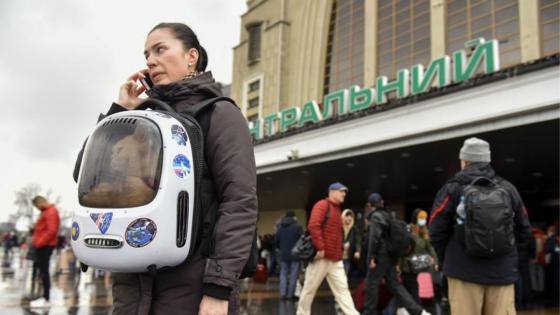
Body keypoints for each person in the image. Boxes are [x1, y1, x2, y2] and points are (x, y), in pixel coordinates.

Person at [73, 22, 257, 315]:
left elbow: (240, 200)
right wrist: (121, 110)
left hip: (193, 288)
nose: (150, 60)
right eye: (146, 54)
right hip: (133, 287)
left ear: (191, 56)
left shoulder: (219, 113)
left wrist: (218, 288)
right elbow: (85, 174)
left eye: (160, 49)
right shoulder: (140, 119)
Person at [429, 137, 532, 315]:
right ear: (487, 160)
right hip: (502, 275)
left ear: (465, 161)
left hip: (463, 273)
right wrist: (510, 261)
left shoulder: (452, 189)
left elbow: (436, 230)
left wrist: (448, 260)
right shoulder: (508, 189)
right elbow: (524, 230)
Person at [296, 182, 359, 315]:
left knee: (343, 290)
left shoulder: (337, 210)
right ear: (332, 191)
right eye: (342, 191)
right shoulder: (322, 205)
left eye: (345, 192)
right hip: (322, 258)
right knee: (309, 289)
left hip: (336, 259)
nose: (344, 194)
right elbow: (313, 226)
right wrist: (320, 248)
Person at [362, 193, 430, 315]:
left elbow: (374, 239)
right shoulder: (389, 215)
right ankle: (418, 312)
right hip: (392, 255)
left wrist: (371, 257)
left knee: (372, 283)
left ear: (370, 205)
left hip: (381, 255)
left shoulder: (376, 217)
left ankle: (369, 312)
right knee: (394, 284)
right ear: (382, 202)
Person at [397, 209, 438, 310]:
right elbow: (402, 247)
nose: (423, 220)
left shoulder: (424, 232)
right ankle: (413, 309)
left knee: (417, 291)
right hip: (407, 266)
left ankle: (414, 309)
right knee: (410, 290)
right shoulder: (408, 229)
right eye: (421, 218)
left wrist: (435, 261)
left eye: (424, 218)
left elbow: (430, 248)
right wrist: (398, 264)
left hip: (420, 266)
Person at [29, 196, 60, 308]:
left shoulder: (50, 212)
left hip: (45, 246)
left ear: (41, 202)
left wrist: (39, 242)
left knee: (44, 272)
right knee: (43, 272)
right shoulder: (46, 212)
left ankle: (46, 299)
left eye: (37, 206)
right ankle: (45, 297)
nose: (38, 208)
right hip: (44, 245)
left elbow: (52, 231)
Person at [275, 210, 303, 300]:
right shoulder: (298, 226)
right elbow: (302, 240)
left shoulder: (280, 227)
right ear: (294, 217)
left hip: (283, 254)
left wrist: (281, 249)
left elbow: (276, 241)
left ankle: (283, 294)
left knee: (283, 273)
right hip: (295, 254)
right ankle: (290, 295)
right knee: (294, 274)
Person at [341, 209, 361, 275]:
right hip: (338, 256)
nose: (349, 218)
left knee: (344, 275)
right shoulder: (339, 228)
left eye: (351, 216)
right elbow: (335, 240)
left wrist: (358, 251)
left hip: (347, 256)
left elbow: (357, 241)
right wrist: (342, 245)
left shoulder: (354, 229)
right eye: (347, 216)